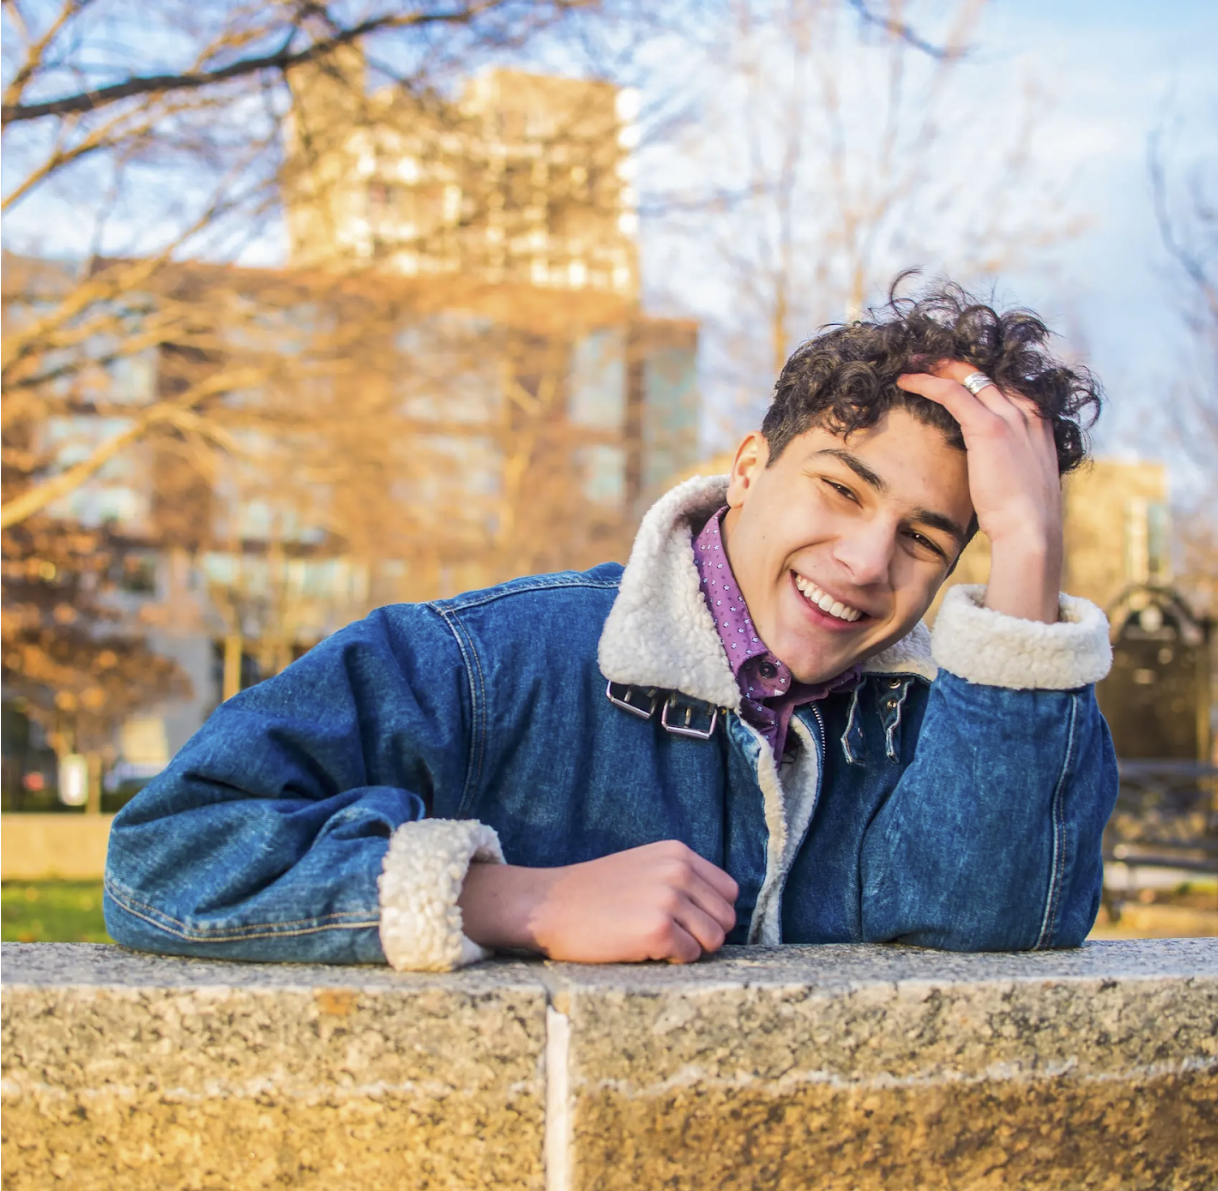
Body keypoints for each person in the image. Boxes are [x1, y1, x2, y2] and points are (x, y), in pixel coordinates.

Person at [104, 279, 1118, 970]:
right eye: (842, 490)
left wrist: (1029, 544)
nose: (865, 562)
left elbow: (1006, 924)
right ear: (752, 468)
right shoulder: (489, 660)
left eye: (926, 540)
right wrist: (514, 900)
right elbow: (168, 857)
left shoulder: (963, 720)